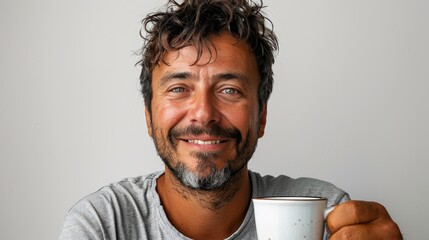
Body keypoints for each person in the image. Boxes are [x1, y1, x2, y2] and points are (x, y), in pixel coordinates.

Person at [59, 0, 402, 239]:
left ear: (262, 116)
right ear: (149, 116)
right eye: (179, 88)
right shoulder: (103, 224)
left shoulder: (325, 214)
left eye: (230, 90)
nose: (204, 113)